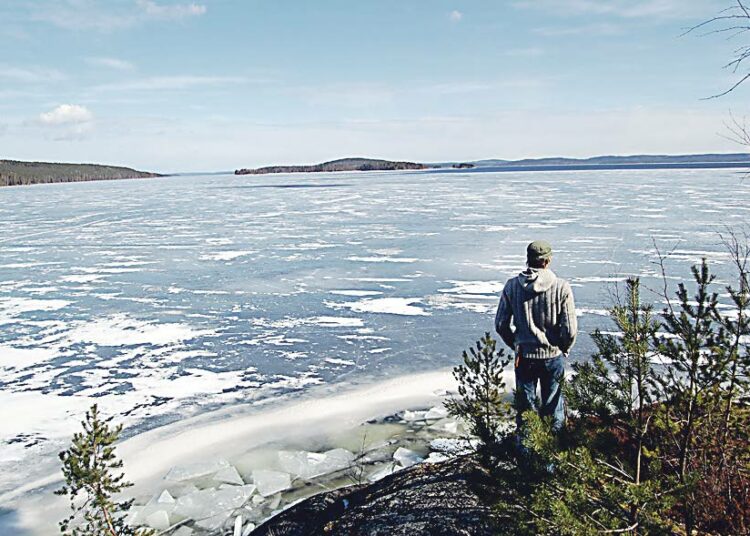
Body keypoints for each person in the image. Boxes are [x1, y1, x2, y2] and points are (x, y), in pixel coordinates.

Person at [494, 240, 577, 444]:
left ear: (528, 259)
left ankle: (527, 461)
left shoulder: (512, 286)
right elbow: (570, 329)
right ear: (547, 261)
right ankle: (551, 463)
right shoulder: (561, 287)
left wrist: (516, 344)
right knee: (553, 409)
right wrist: (564, 347)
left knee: (526, 411)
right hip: (552, 356)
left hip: (524, 357)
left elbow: (501, 324)